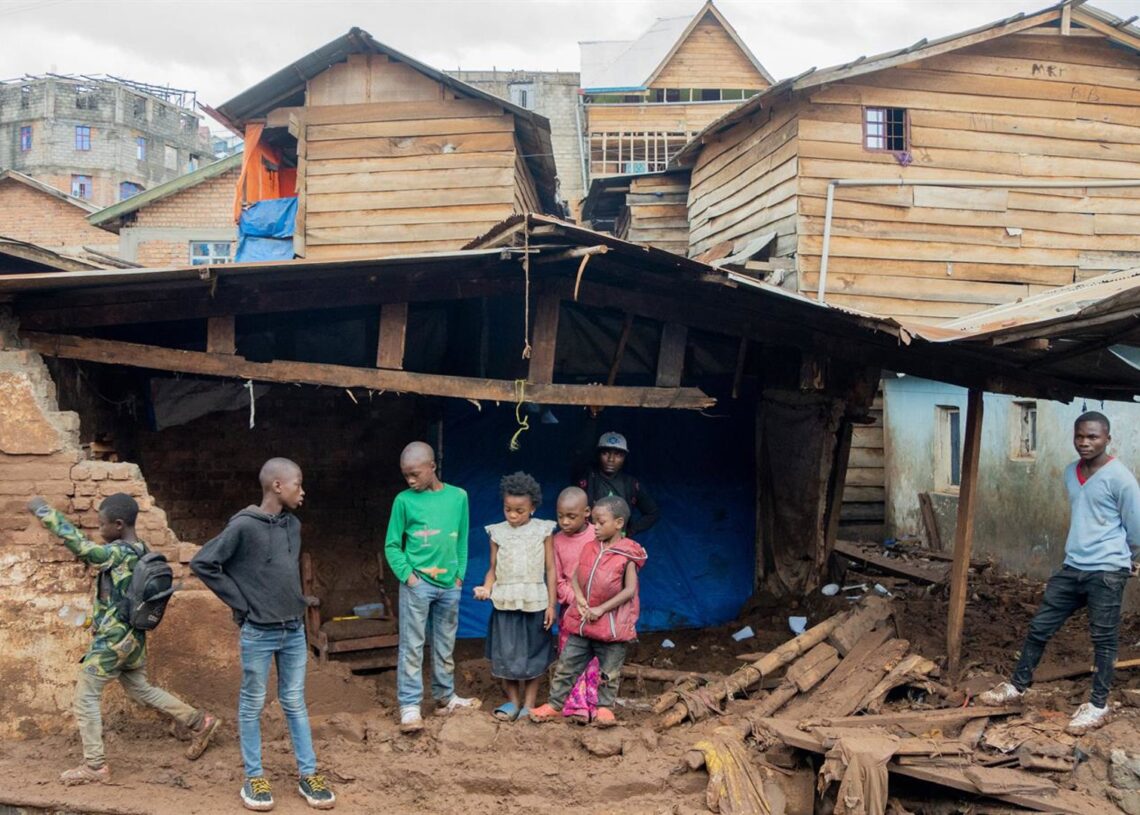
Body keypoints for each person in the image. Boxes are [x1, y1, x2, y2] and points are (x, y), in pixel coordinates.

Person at [26, 492, 220, 785]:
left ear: (118, 525)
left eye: (102, 524)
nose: (99, 529)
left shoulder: (118, 553)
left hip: (113, 642)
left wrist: (46, 513)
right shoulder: (141, 549)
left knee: (85, 697)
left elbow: (83, 549)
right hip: (133, 638)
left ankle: (94, 765)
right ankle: (198, 721)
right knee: (140, 688)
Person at [978, 412, 1140, 735]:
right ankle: (1016, 687)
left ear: (1108, 438)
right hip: (1073, 567)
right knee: (1040, 626)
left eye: (1092, 436)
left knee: (1104, 639)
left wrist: (1130, 559)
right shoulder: (1070, 472)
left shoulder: (1121, 478)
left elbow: (1135, 526)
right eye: (1079, 436)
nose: (1085, 442)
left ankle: (1098, 705)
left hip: (1107, 570)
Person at [191, 458, 335, 811]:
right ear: (277, 486)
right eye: (297, 484)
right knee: (252, 704)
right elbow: (203, 563)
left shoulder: (293, 525)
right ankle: (254, 777)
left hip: (292, 629)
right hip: (258, 632)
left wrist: (298, 601)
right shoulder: (243, 526)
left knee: (295, 702)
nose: (303, 491)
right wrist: (241, 604)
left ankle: (309, 773)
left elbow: (282, 574)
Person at [384, 441, 479, 734]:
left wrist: (459, 574)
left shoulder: (458, 497)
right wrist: (409, 577)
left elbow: (462, 539)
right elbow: (392, 545)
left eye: (415, 474)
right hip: (418, 584)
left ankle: (445, 698)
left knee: (444, 645)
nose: (410, 481)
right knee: (412, 645)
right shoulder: (403, 501)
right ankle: (410, 706)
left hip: (449, 584)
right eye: (406, 476)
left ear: (432, 467)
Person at [529, 495, 647, 727]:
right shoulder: (590, 547)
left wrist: (602, 608)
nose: (596, 527)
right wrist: (580, 599)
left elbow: (630, 590)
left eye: (601, 522)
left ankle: (604, 709)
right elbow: (575, 577)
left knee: (609, 673)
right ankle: (554, 705)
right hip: (583, 622)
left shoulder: (628, 553)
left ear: (619, 523)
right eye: (594, 522)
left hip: (611, 626)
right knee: (566, 665)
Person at [473, 472, 557, 721]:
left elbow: (551, 569)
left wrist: (552, 604)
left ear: (532, 507)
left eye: (519, 510)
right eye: (507, 509)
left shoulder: (544, 530)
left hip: (536, 601)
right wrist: (487, 588)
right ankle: (513, 702)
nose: (512, 515)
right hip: (505, 601)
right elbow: (493, 568)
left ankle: (529, 704)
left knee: (535, 654)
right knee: (505, 654)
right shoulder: (496, 532)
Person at [576, 432, 660, 536]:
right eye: (605, 453)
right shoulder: (587, 476)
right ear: (598, 454)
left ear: (624, 457)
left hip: (616, 546)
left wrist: (630, 531)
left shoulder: (631, 484)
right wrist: (592, 419)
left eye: (618, 455)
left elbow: (653, 512)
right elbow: (583, 451)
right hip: (588, 541)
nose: (611, 459)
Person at [552, 486, 596, 652]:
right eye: (560, 516)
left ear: (586, 512)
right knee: (570, 655)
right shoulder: (556, 541)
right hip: (570, 608)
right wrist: (575, 600)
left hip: (600, 607)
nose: (564, 522)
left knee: (595, 658)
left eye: (571, 516)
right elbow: (557, 580)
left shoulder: (598, 535)